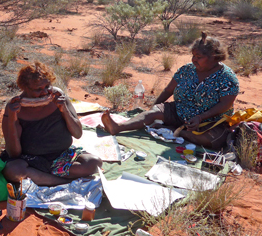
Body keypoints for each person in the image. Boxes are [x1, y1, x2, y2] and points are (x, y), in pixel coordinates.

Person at [101, 32, 239, 150]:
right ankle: (118, 127)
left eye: (199, 57)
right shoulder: (187, 70)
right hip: (180, 111)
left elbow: (225, 105)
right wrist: (153, 109)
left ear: (214, 57)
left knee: (212, 140)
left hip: (209, 121)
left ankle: (176, 131)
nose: (194, 60)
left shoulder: (227, 77)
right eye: (193, 56)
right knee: (154, 113)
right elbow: (168, 90)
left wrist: (200, 117)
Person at [1, 61, 103, 186]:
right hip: (30, 160)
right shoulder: (14, 107)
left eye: (47, 86)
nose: (44, 92)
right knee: (14, 171)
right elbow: (14, 153)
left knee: (94, 163)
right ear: (25, 88)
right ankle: (64, 182)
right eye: (38, 89)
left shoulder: (58, 96)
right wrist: (12, 118)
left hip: (61, 157)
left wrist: (64, 109)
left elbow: (77, 133)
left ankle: (44, 179)